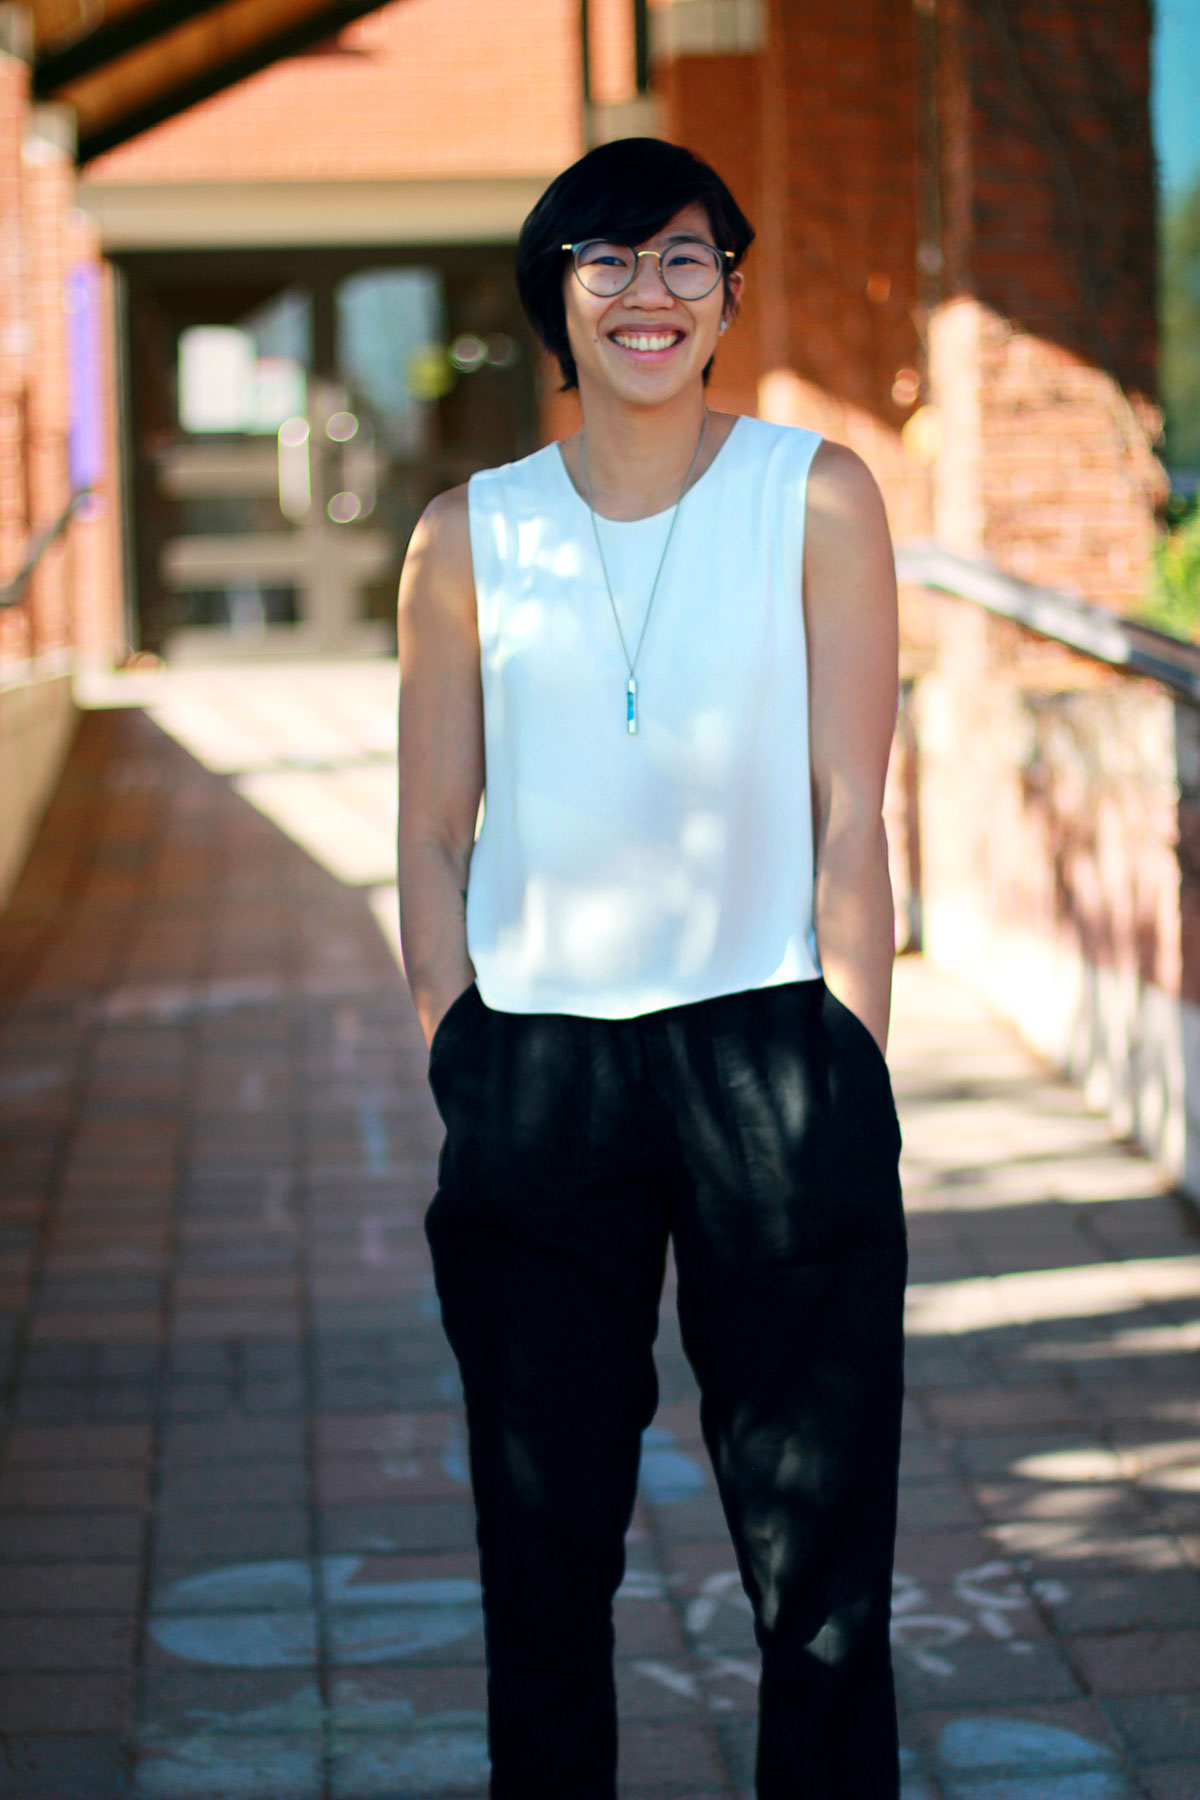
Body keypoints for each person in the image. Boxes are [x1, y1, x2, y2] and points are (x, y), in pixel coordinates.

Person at [397, 136, 906, 1800]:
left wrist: (852, 1059)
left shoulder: (815, 493)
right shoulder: (466, 537)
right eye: (606, 260)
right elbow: (427, 835)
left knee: (815, 1549)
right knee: (542, 1550)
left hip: (771, 1051)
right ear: (557, 295)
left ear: (729, 294)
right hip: (540, 1069)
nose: (646, 293)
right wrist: (458, 1046)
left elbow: (854, 811)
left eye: (685, 258)